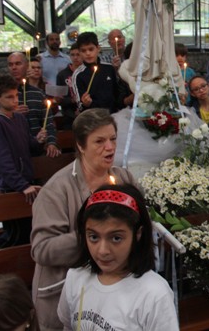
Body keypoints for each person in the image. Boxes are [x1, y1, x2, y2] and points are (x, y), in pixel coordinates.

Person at [31, 109, 137, 330]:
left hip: (114, 292)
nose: (110, 147)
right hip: (66, 295)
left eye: (113, 139)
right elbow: (42, 249)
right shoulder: (56, 190)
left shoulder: (124, 178)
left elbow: (140, 224)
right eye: (99, 141)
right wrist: (94, 236)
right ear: (80, 145)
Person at [57, 184, 179, 330]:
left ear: (137, 234)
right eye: (94, 237)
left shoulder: (154, 293)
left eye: (116, 238)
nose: (103, 251)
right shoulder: (75, 278)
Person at [0, 75, 46, 248]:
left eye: (16, 96)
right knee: (15, 233)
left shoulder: (19, 119)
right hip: (12, 186)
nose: (15, 100)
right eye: (9, 97)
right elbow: (1, 161)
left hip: (26, 182)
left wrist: (38, 141)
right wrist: (21, 185)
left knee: (27, 232)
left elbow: (29, 147)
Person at [119, 0, 185, 99]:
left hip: (160, 20)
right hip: (147, 20)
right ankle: (148, 71)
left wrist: (166, 5)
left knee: (160, 44)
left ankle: (160, 70)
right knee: (149, 43)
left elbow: (166, 1)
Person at [0, 52, 60, 158]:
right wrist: (11, 113)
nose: (14, 67)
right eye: (10, 64)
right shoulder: (0, 93)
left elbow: (48, 122)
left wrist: (51, 143)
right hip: (11, 149)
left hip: (37, 148)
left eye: (18, 64)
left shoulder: (38, 93)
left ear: (27, 66)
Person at [71, 31, 120, 113]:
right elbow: (80, 104)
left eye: (91, 49)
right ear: (79, 52)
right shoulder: (78, 75)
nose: (88, 53)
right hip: (92, 117)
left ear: (98, 48)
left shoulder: (109, 68)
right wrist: (85, 103)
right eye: (83, 51)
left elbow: (117, 93)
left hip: (113, 115)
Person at [56, 43, 82, 129]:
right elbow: (60, 99)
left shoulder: (87, 72)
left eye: (78, 54)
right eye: (72, 55)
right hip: (69, 116)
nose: (75, 57)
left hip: (86, 113)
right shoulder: (62, 75)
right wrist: (71, 100)